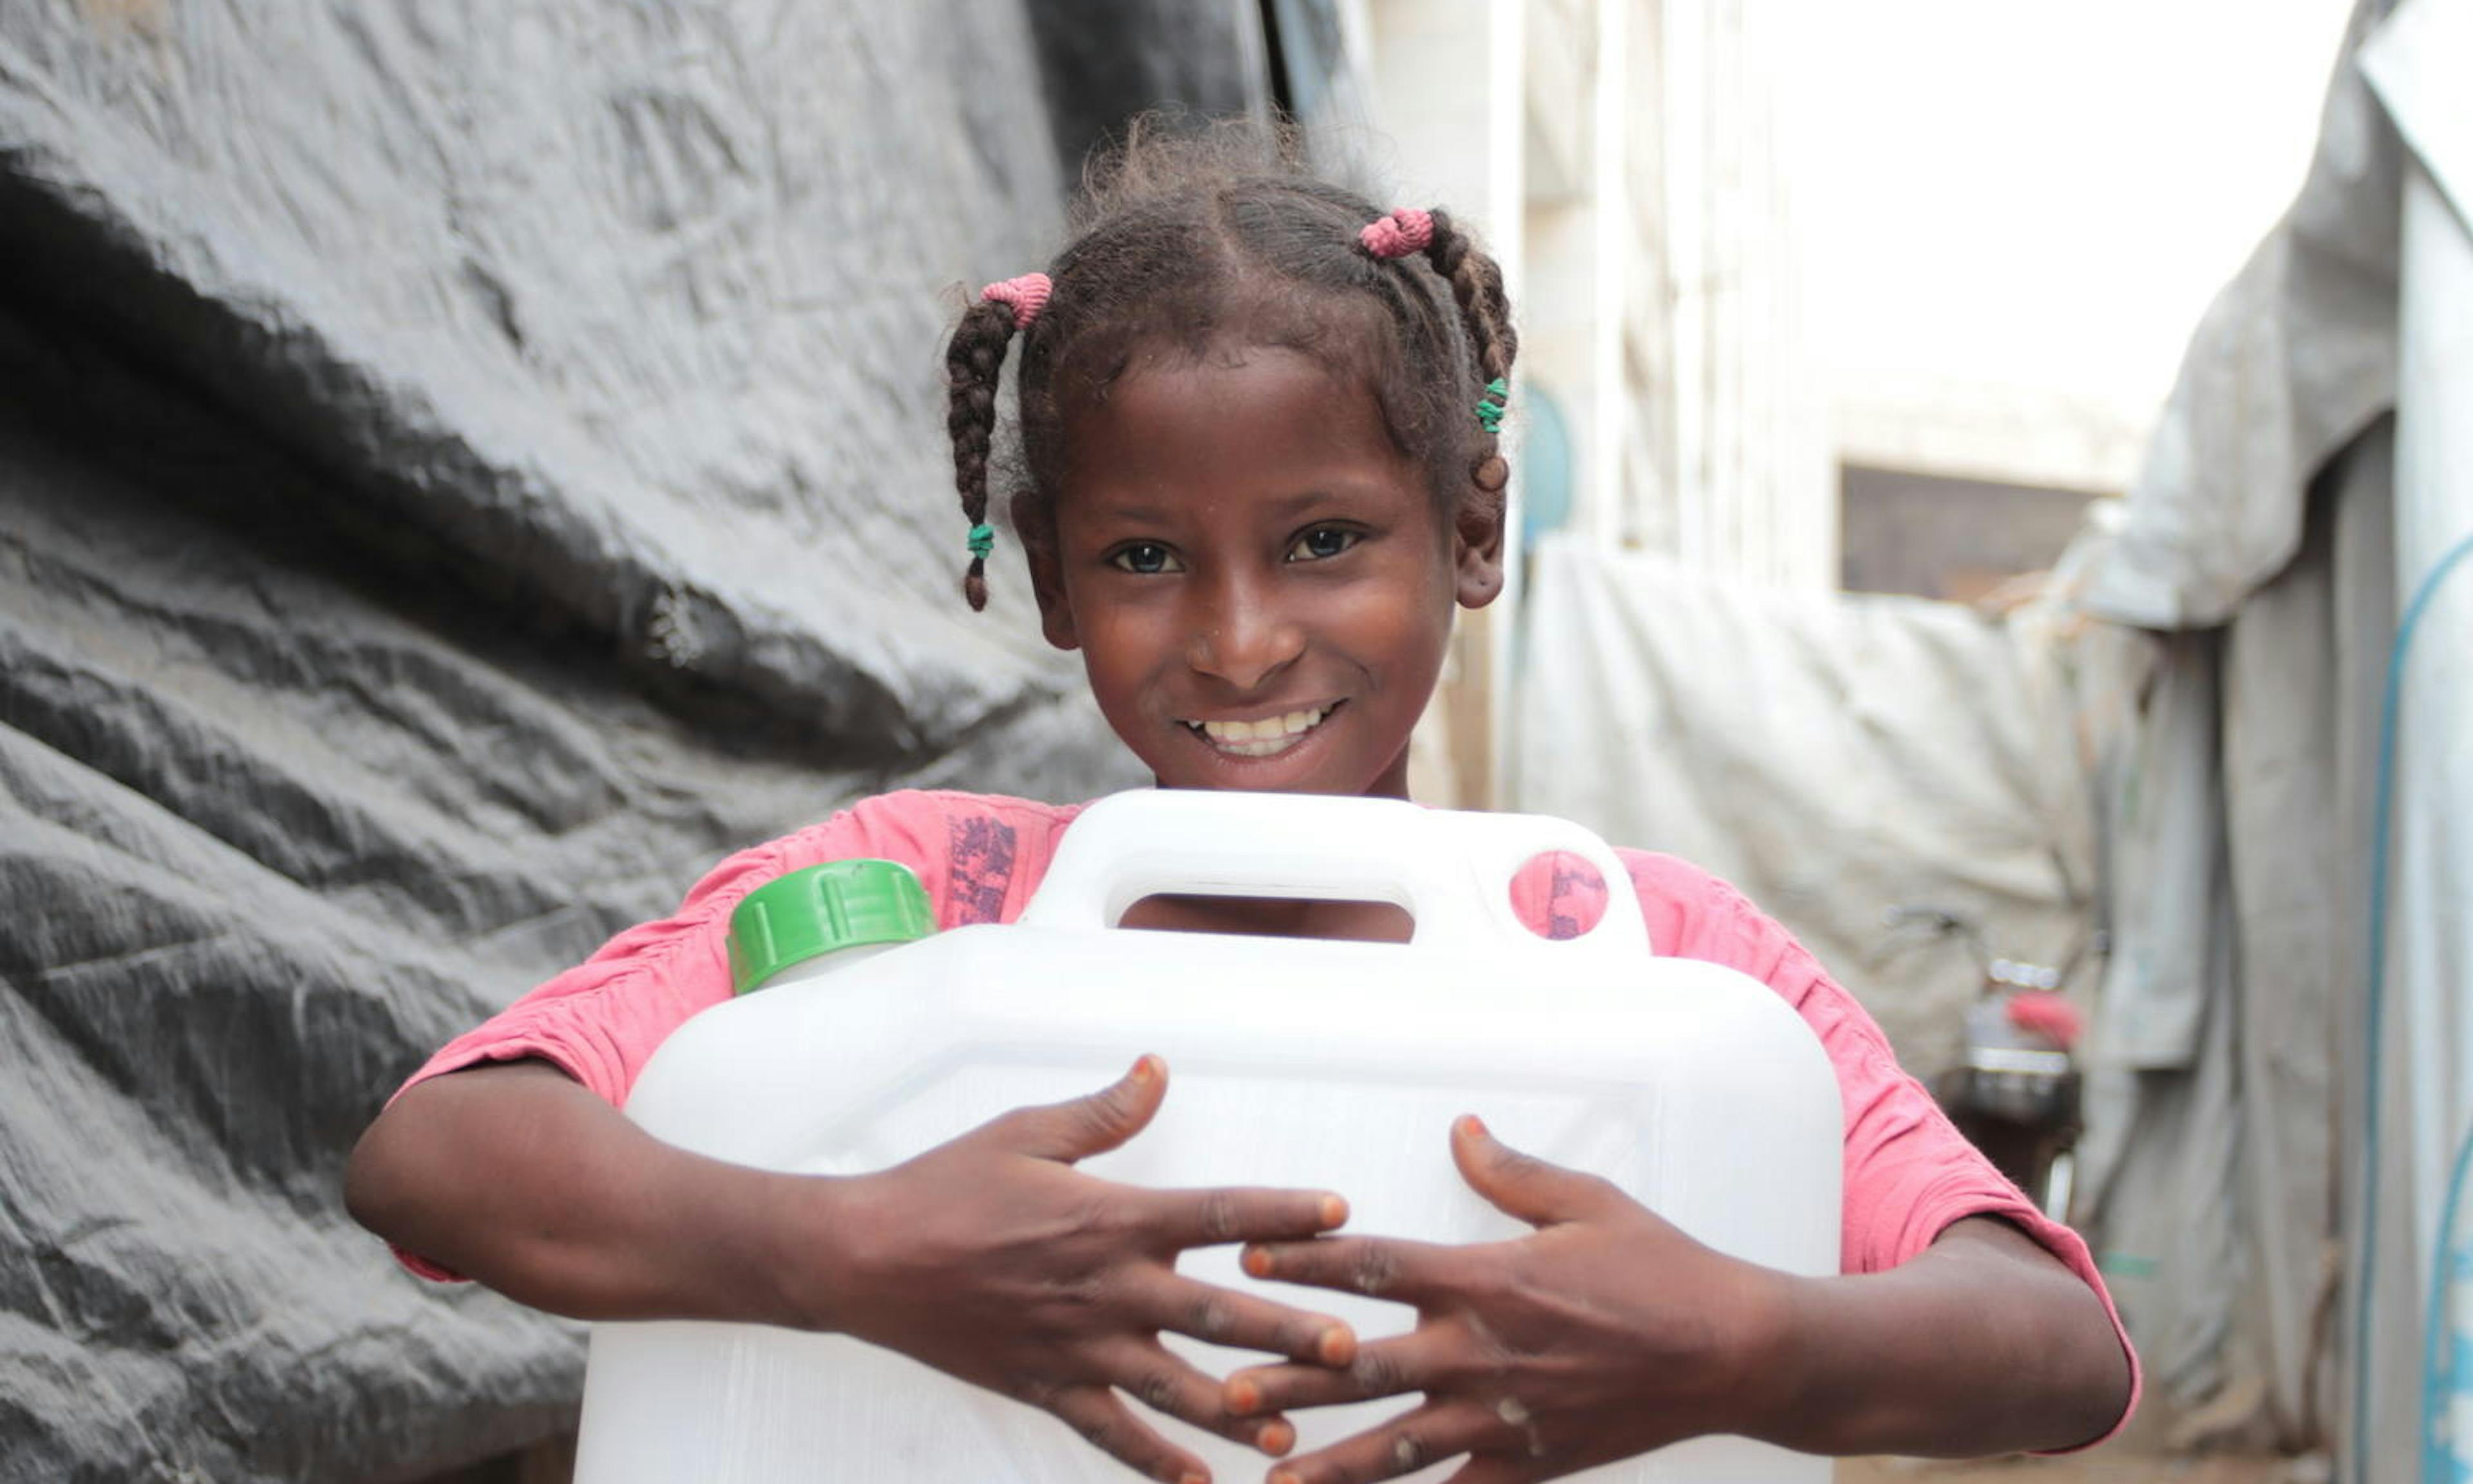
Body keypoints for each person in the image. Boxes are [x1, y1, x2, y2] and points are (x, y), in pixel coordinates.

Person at [346, 123, 2137, 1484]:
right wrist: (853, 1250)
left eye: (1327, 541)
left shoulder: (1644, 954)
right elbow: (435, 1156)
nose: (1239, 637)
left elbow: (2056, 1343)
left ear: (1474, 532)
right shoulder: (926, 896)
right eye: (1143, 555)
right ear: (1051, 580)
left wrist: (1748, 1343)